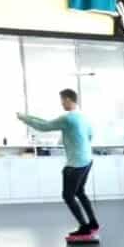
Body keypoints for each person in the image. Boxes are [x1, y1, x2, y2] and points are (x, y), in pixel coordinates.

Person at [16, 89, 99, 237]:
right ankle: (93, 223)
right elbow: (90, 135)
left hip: (75, 164)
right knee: (80, 192)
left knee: (68, 196)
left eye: (62, 100)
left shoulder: (68, 119)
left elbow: (44, 126)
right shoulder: (82, 116)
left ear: (68, 99)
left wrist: (24, 119)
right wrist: (27, 116)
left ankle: (84, 227)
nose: (61, 103)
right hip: (87, 160)